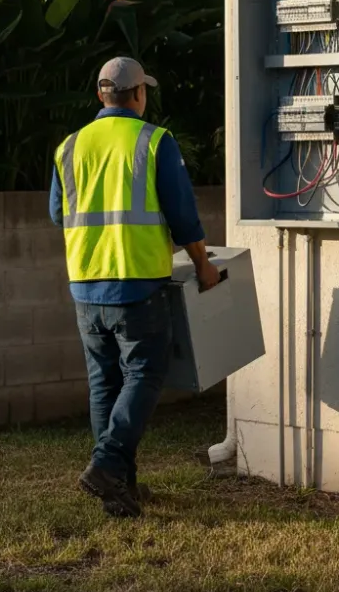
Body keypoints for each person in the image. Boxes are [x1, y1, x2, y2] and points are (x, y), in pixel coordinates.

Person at [50, 56, 220, 518]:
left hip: (85, 283)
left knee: (104, 382)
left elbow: (57, 213)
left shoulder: (69, 146)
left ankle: (119, 490)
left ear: (101, 95)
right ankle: (106, 465)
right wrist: (203, 263)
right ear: (139, 94)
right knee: (144, 373)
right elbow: (182, 212)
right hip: (136, 282)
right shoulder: (153, 140)